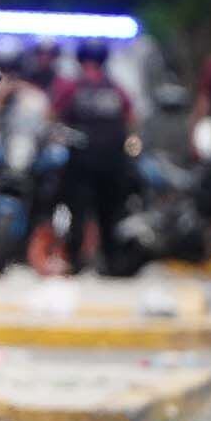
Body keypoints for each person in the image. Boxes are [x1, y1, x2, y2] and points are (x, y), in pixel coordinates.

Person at [48, 41, 139, 274]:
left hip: (83, 161)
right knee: (108, 214)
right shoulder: (115, 89)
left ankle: (78, 261)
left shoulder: (73, 87)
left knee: (79, 211)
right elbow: (132, 121)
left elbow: (52, 116)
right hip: (110, 161)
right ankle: (109, 262)